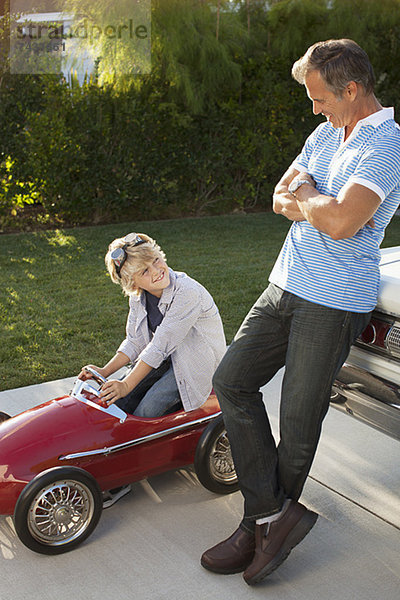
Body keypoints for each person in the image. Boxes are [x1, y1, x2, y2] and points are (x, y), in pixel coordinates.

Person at [201, 39, 400, 586]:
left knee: (297, 420)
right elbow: (278, 197)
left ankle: (254, 527)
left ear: (352, 89)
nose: (312, 107)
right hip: (285, 284)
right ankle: (270, 516)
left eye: (318, 97)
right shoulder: (325, 131)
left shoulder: (386, 146)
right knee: (232, 380)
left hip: (334, 299)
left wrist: (309, 192)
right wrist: (315, 198)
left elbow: (342, 224)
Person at [79, 232, 226, 419]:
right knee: (118, 403)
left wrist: (126, 385)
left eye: (155, 260)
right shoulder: (138, 297)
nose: (156, 270)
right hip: (163, 360)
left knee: (147, 411)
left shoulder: (187, 293)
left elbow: (159, 347)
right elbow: (134, 341)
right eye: (144, 271)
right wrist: (105, 371)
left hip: (192, 365)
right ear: (132, 282)